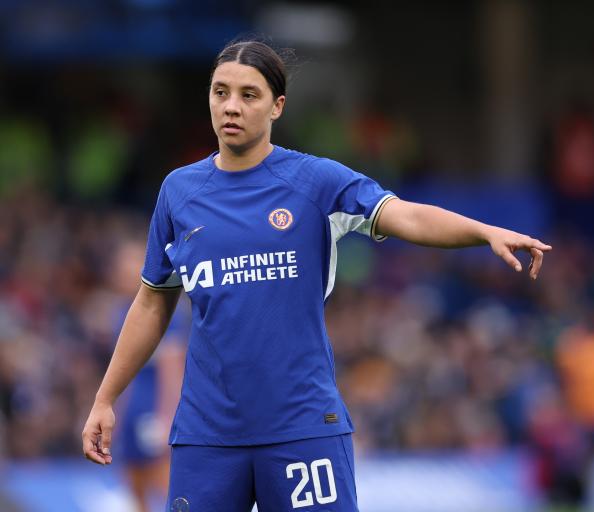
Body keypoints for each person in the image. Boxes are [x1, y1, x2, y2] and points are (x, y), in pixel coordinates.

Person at [82, 39, 552, 512]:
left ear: (277, 106)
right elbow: (152, 301)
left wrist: (482, 231)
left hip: (303, 428)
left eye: (249, 95)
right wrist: (106, 398)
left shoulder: (315, 182)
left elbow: (404, 215)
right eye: (220, 92)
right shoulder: (178, 192)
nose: (231, 106)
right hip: (208, 436)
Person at [108, 240, 189, 512]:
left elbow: (172, 368)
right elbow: (122, 373)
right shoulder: (120, 314)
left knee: (167, 487)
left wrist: (168, 417)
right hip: (132, 411)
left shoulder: (168, 311)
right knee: (134, 486)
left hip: (153, 411)